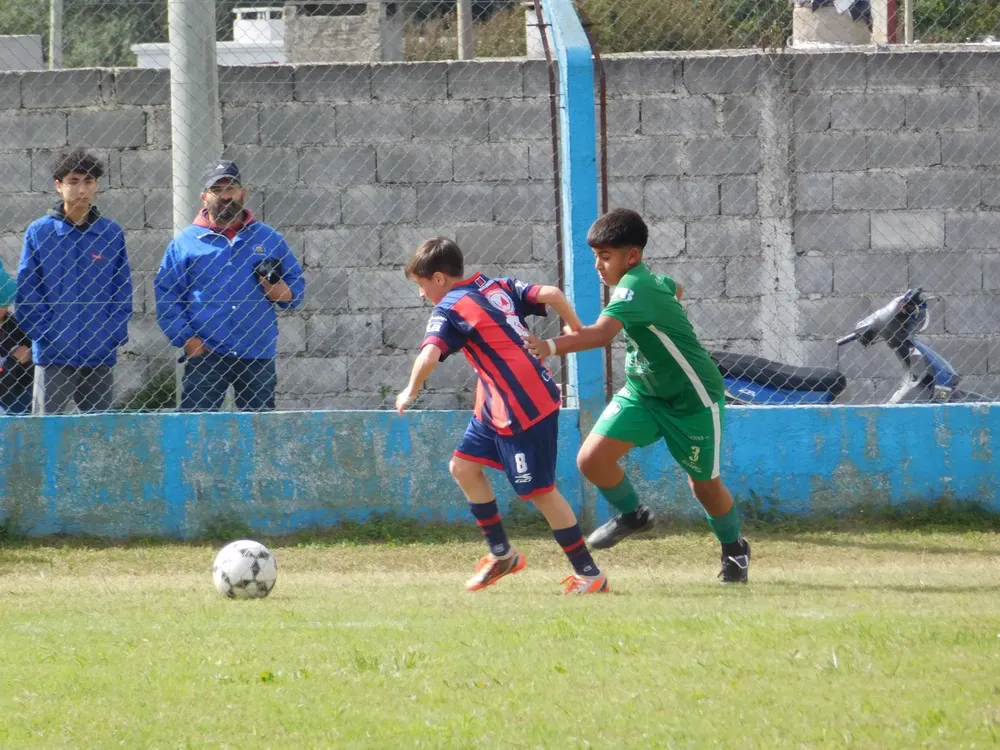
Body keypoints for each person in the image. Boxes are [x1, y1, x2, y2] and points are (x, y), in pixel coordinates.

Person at [525, 208, 751, 583]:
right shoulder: (646, 283)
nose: (598, 265)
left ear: (632, 257)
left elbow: (599, 335)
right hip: (643, 392)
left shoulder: (634, 287)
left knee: (704, 485)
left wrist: (547, 345)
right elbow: (674, 286)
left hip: (692, 399)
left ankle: (735, 550)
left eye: (606, 256)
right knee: (592, 460)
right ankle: (634, 516)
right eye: (596, 256)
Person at [394, 237, 608, 595]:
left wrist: (410, 390)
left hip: (523, 406)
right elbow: (553, 294)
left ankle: (590, 573)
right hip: (495, 401)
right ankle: (503, 554)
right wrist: (577, 329)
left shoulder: (447, 307)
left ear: (440, 279)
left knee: (540, 491)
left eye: (421, 284)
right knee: (462, 467)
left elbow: (429, 355)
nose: (421, 294)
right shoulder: (494, 284)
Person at [154, 161, 305, 411]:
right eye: (217, 190)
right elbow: (167, 294)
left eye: (231, 188)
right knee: (197, 429)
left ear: (243, 194)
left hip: (257, 350)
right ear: (204, 197)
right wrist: (187, 339)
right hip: (206, 351)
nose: (225, 196)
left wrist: (284, 293)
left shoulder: (268, 237)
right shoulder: (185, 243)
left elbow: (296, 285)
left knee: (258, 430)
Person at [16, 148, 133, 414]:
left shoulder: (110, 234)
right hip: (53, 354)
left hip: (98, 352)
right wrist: (45, 335)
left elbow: (122, 289)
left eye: (89, 181)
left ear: (97, 185)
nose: (82, 190)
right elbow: (28, 290)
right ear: (59, 185)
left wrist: (111, 335)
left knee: (100, 433)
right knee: (46, 431)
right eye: (73, 181)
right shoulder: (40, 232)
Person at [0, 261, 33, 415]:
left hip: (14, 400)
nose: (3, 312)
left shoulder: (11, 324)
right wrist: (14, 360)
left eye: (5, 305)